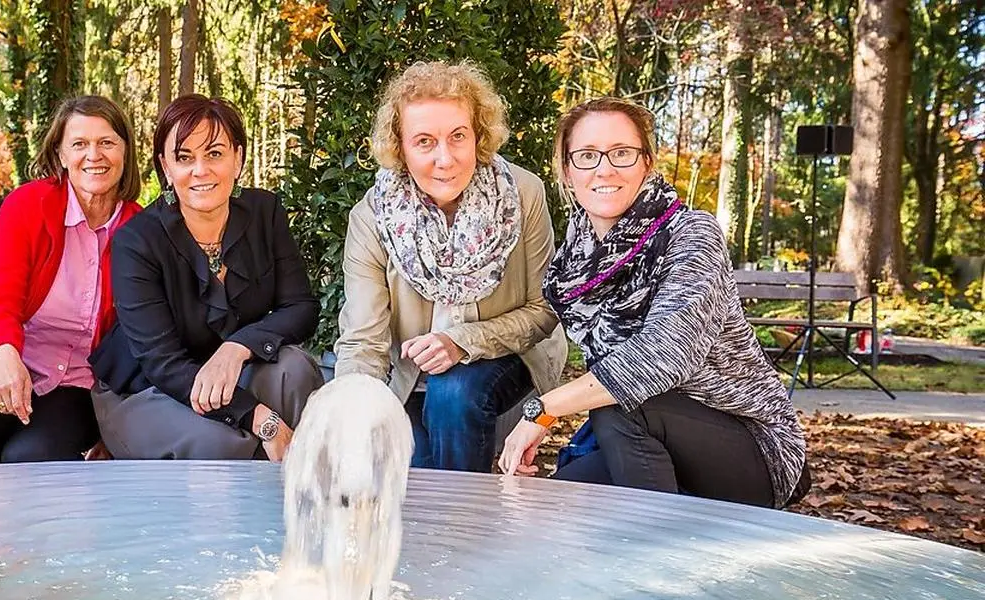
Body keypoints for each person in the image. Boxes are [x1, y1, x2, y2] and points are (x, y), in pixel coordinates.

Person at [499, 97, 809, 508]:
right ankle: (660, 535)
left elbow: (665, 354)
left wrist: (543, 410)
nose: (604, 169)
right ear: (567, 171)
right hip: (645, 437)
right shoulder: (571, 262)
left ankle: (663, 563)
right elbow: (538, 320)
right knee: (558, 504)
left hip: (749, 444)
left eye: (622, 154)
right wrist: (459, 342)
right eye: (587, 156)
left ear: (647, 163)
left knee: (622, 411)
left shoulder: (690, 233)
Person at [334, 60, 567, 473]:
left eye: (457, 136)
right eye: (424, 141)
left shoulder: (524, 194)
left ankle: (463, 529)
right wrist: (353, 412)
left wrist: (460, 341)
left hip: (510, 356)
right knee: (416, 475)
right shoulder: (372, 217)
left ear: (478, 136)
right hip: (410, 377)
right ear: (400, 148)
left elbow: (544, 311)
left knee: (453, 394)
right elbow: (363, 342)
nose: (445, 158)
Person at [89, 94, 323, 461]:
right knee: (221, 444)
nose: (200, 170)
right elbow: (163, 364)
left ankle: (294, 499)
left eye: (214, 153)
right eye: (184, 158)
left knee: (293, 370)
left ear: (238, 158)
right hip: (150, 389)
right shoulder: (136, 241)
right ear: (166, 167)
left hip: (236, 371)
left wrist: (237, 347)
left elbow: (301, 308)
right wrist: (261, 418)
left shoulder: (265, 212)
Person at [0, 95, 143, 464]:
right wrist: (5, 356)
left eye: (107, 143)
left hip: (77, 386)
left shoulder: (141, 229)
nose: (94, 155)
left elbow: (139, 340)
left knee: (30, 462)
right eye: (80, 144)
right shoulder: (27, 206)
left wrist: (116, 430)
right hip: (17, 358)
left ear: (125, 152)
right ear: (61, 155)